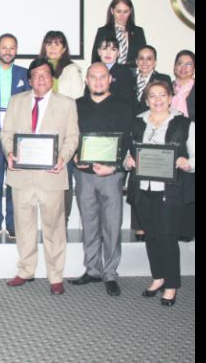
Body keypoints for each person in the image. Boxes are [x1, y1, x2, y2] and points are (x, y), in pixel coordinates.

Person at [1, 59, 79, 296]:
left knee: (54, 228)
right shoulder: (16, 101)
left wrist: (63, 158)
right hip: (21, 175)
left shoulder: (66, 104)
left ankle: (55, 276)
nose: (41, 79)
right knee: (23, 227)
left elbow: (73, 137)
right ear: (30, 79)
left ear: (52, 78)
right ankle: (26, 270)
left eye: (45, 74)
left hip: (51, 175)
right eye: (36, 75)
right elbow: (6, 134)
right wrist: (10, 153)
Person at [124, 80, 195, 306]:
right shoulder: (137, 123)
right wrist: (129, 161)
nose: (157, 100)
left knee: (167, 237)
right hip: (143, 188)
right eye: (152, 96)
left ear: (170, 97)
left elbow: (194, 157)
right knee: (151, 237)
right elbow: (127, 155)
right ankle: (158, 277)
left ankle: (171, 284)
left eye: (162, 95)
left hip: (170, 190)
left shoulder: (184, 124)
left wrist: (187, 162)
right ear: (146, 100)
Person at [67, 63, 133, 297]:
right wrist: (75, 157)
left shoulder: (124, 107)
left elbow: (127, 142)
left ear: (109, 79)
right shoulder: (76, 105)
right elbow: (71, 137)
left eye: (102, 77)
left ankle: (110, 273)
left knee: (112, 226)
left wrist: (113, 167)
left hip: (111, 176)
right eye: (93, 77)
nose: (97, 81)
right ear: (86, 80)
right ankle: (93, 269)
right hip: (84, 175)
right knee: (90, 224)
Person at [0, 33, 30, 239]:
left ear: (16, 50)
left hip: (16, 134)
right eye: (4, 47)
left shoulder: (24, 73)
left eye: (12, 48)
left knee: (13, 180)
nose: (8, 51)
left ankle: (12, 223)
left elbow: (29, 104)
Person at [39, 30, 82, 229]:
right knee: (45, 178)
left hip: (64, 133)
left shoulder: (71, 70)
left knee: (63, 177)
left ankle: (62, 221)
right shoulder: (38, 69)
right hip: (41, 134)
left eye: (58, 44)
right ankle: (48, 219)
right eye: (49, 43)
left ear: (64, 48)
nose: (53, 47)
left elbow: (77, 102)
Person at [130, 45, 172, 241]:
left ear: (155, 61)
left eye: (149, 58)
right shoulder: (128, 79)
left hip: (158, 133)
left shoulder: (163, 80)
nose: (145, 62)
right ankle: (139, 228)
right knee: (137, 183)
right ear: (136, 61)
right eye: (141, 58)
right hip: (136, 132)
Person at [172, 50, 195, 241]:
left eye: (188, 64)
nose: (183, 67)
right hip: (170, 144)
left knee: (189, 188)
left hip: (193, 144)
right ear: (174, 67)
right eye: (180, 63)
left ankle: (187, 232)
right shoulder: (166, 89)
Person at [91, 0, 147, 69]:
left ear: (130, 11)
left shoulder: (138, 32)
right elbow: (95, 59)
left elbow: (142, 57)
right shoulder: (103, 31)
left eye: (125, 11)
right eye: (118, 11)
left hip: (131, 76)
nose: (122, 15)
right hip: (109, 74)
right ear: (112, 11)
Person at [90, 37, 135, 107]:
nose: (108, 53)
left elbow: (127, 100)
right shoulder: (92, 70)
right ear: (99, 52)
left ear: (118, 53)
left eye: (113, 49)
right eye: (104, 49)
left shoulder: (124, 72)